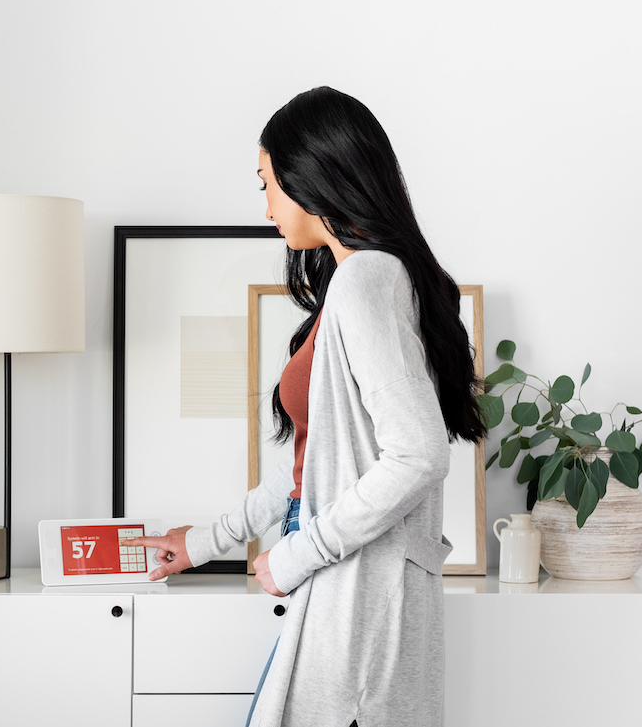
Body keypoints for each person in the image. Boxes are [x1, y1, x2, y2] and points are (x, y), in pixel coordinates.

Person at [120, 86, 488, 727]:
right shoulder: (368, 283)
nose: (265, 209)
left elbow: (420, 454)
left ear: (311, 177)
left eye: (267, 185)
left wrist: (294, 555)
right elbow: (310, 475)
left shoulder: (366, 279)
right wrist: (206, 542)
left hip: (361, 607)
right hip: (350, 596)